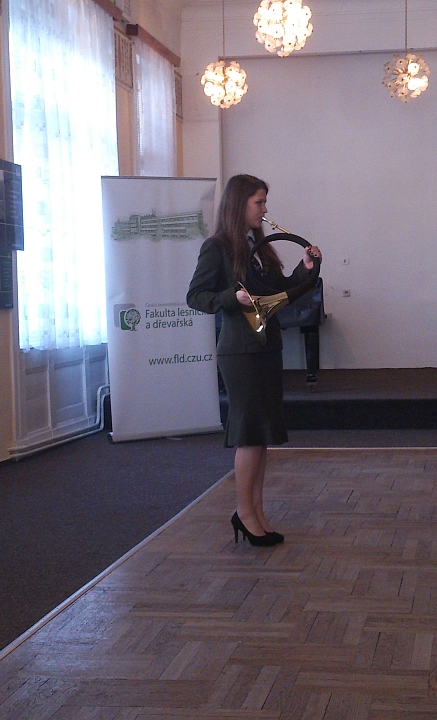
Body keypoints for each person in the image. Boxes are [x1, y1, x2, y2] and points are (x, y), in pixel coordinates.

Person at [186, 175, 321, 547]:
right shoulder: (217, 247)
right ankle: (245, 513)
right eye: (259, 202)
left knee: (261, 436)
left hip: (265, 348)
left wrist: (306, 270)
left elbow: (280, 293)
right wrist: (232, 299)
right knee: (249, 436)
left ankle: (256, 512)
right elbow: (196, 297)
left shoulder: (258, 246)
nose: (264, 209)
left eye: (264, 202)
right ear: (239, 204)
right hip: (240, 351)